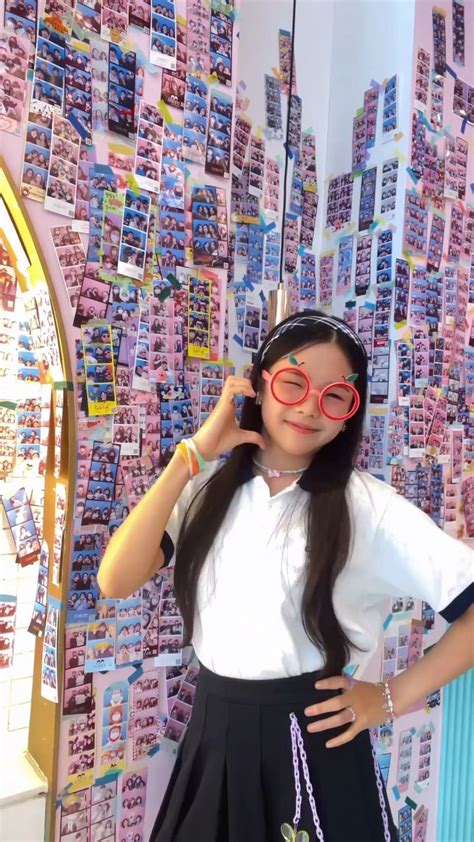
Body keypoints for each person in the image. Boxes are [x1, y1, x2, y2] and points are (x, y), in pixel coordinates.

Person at [98, 311, 473, 842]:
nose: (307, 407)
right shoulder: (208, 490)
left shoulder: (367, 507)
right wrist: (195, 453)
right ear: (258, 384)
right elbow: (115, 579)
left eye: (334, 395)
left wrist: (388, 697)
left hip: (313, 746)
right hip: (213, 734)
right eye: (293, 382)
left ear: (349, 413)